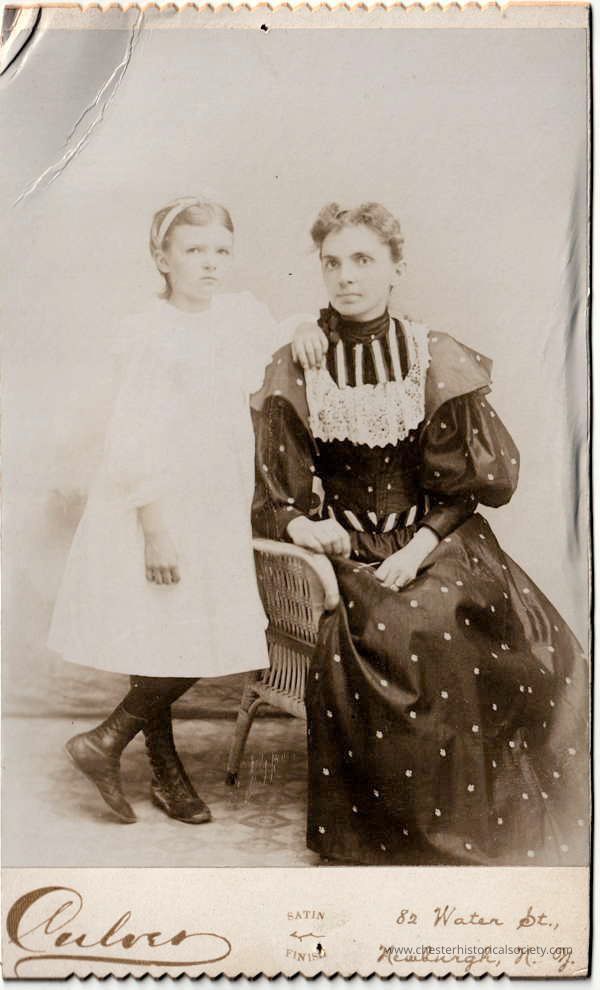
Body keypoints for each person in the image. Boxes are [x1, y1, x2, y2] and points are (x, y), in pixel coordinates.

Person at [251, 201, 589, 866]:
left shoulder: (432, 355)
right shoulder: (297, 363)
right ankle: (413, 835)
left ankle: (490, 819)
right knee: (411, 631)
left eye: (363, 260)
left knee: (514, 638)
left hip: (435, 537)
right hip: (349, 551)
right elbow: (272, 493)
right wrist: (301, 523)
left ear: (395, 267)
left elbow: (468, 488)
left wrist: (416, 548)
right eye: (333, 262)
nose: (347, 276)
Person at [48, 196, 324, 825]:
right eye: (193, 250)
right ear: (161, 258)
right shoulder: (148, 331)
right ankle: (121, 750)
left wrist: (305, 320)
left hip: (214, 505)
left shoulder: (237, 316)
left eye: (221, 251)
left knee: (177, 639)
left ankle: (119, 750)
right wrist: (154, 530)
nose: (209, 263)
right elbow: (132, 437)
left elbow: (281, 327)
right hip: (159, 507)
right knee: (170, 639)